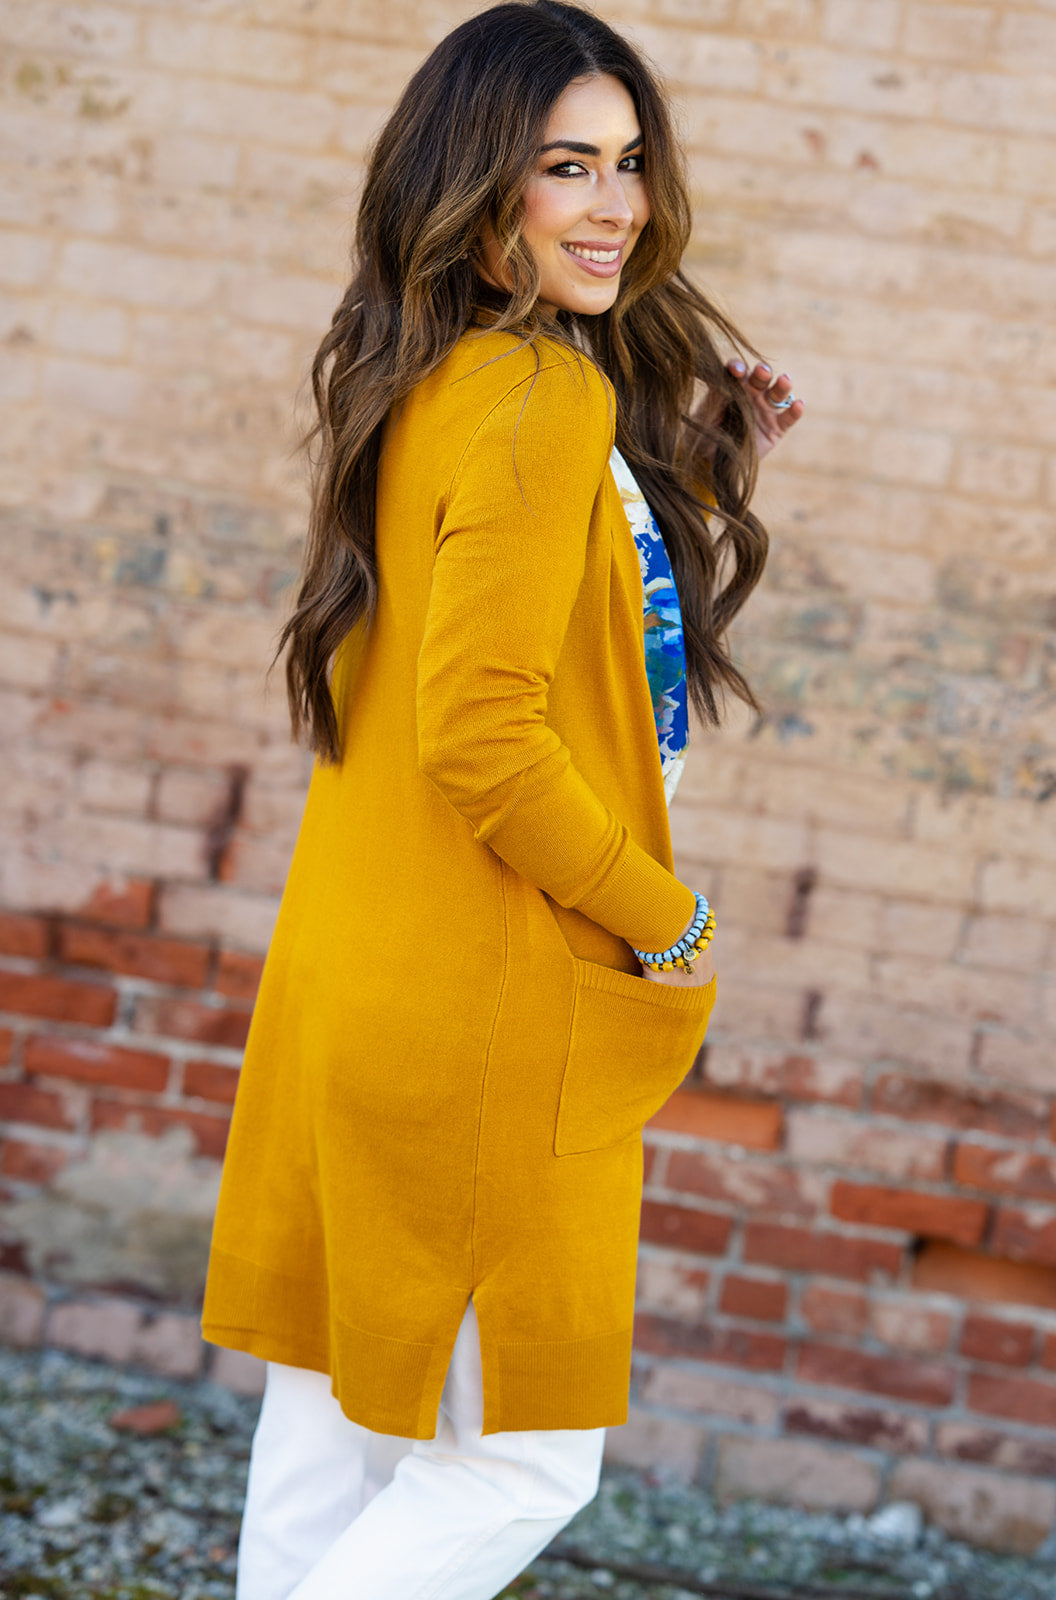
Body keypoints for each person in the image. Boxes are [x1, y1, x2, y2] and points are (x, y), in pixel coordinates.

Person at [201, 3, 802, 1596]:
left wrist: (700, 454)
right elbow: (486, 733)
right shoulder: (542, 400)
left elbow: (560, 610)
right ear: (479, 187)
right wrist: (666, 920)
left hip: (360, 976)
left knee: (332, 1427)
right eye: (566, 167)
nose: (616, 206)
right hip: (484, 1001)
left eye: (629, 163)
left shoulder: (435, 379)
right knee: (525, 1460)